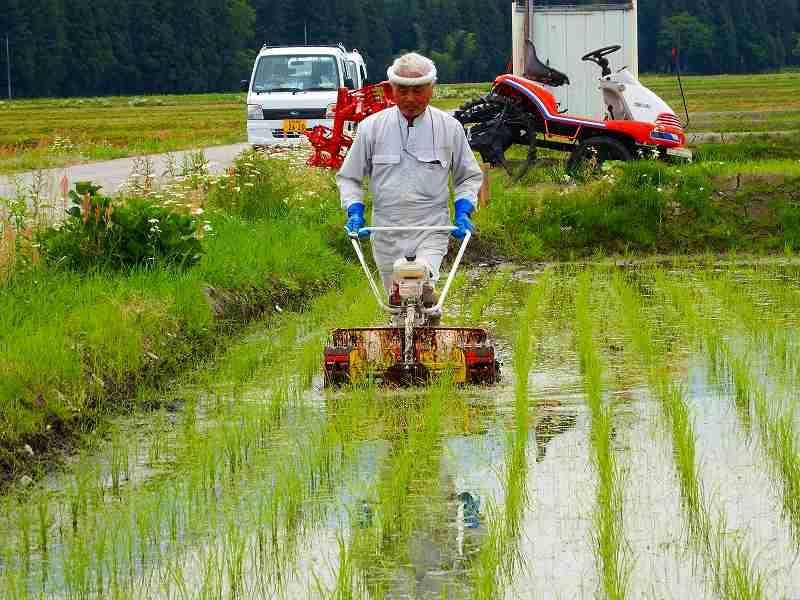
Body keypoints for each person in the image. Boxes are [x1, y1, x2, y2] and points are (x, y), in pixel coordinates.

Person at [336, 52, 483, 299]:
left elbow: (468, 176)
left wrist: (463, 210)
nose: (410, 98)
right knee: (395, 300)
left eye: (418, 91)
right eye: (403, 91)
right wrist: (355, 211)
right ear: (391, 90)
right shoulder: (371, 128)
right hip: (385, 231)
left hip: (431, 228)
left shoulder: (449, 128)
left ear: (431, 89)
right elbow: (349, 177)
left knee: (420, 288)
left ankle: (427, 317)